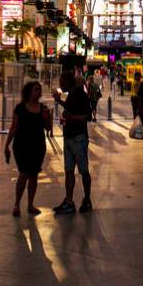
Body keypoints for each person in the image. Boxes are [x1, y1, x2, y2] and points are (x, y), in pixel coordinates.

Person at [4, 81, 52, 217]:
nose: (39, 92)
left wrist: (47, 117)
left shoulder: (42, 108)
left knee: (34, 175)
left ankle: (30, 204)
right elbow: (13, 127)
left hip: (37, 145)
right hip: (22, 145)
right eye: (36, 90)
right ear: (29, 92)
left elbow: (48, 128)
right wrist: (6, 145)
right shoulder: (20, 108)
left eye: (40, 90)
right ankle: (17, 204)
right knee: (23, 173)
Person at [52, 70, 93, 214]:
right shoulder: (71, 95)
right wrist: (59, 101)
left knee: (83, 170)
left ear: (68, 82)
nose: (60, 85)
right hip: (69, 137)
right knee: (69, 171)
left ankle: (86, 199)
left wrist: (70, 118)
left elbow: (86, 116)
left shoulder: (80, 95)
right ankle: (69, 201)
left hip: (78, 137)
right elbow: (70, 109)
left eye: (61, 82)